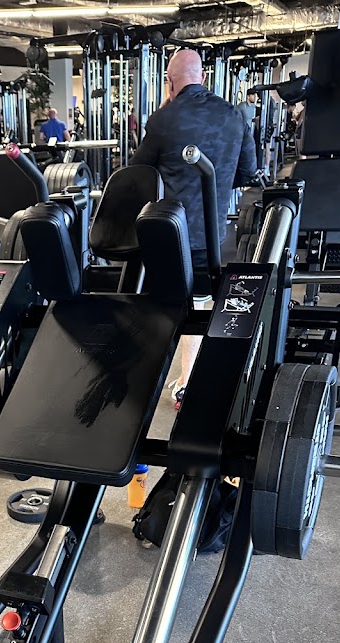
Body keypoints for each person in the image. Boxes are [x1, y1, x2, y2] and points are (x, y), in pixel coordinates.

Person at [130, 48, 257, 407]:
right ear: (203, 77)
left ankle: (175, 384)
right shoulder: (234, 115)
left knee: (171, 307)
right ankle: (193, 379)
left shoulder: (164, 119)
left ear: (169, 82)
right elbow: (247, 174)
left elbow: (137, 174)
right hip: (213, 235)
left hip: (172, 235)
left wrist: (161, 115)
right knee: (201, 302)